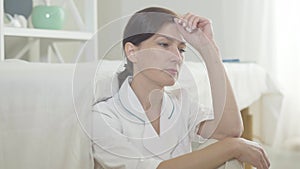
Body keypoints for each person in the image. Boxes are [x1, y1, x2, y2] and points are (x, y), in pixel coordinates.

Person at [92, 7, 270, 169]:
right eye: (164, 44)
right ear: (132, 52)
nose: (177, 57)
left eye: (182, 49)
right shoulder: (104, 115)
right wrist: (231, 147)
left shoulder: (181, 102)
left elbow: (230, 130)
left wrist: (209, 50)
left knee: (232, 162)